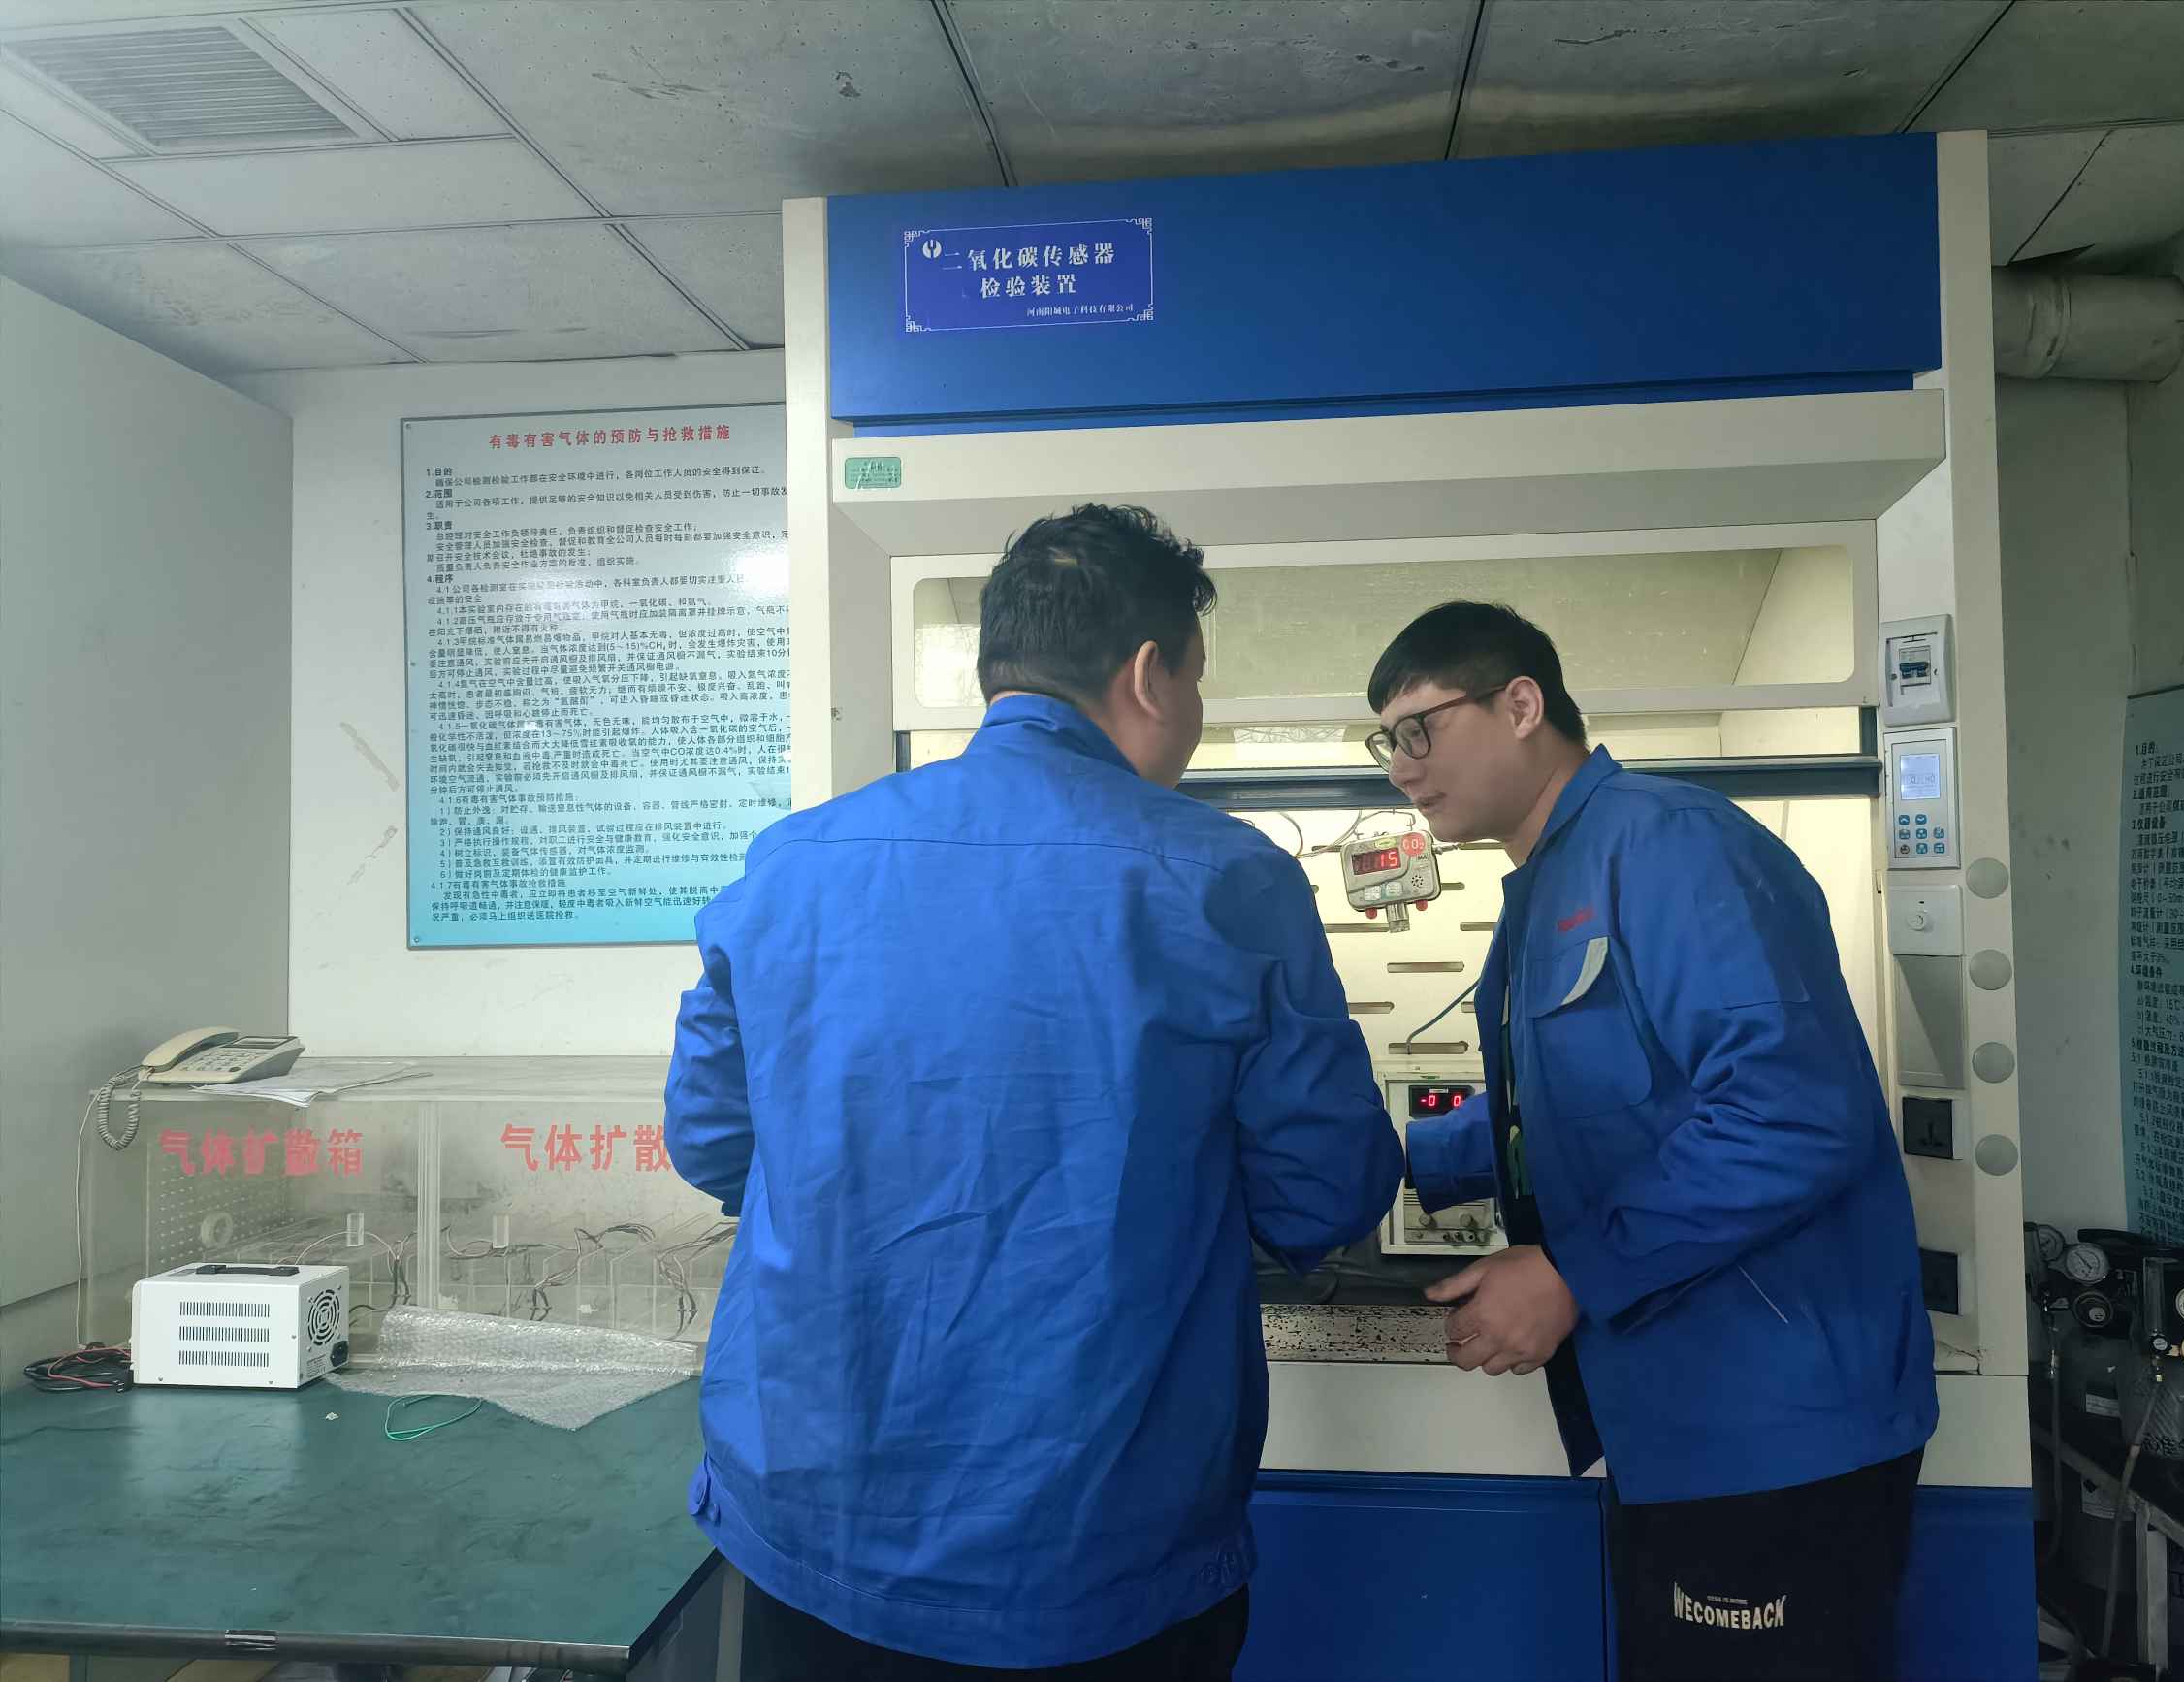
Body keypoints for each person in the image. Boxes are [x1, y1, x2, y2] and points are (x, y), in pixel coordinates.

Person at [664, 503, 1403, 1679]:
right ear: (1151, 674)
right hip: (1099, 1538)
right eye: (1195, 680)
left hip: (814, 1516)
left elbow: (710, 1142)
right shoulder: (1226, 882)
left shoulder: (792, 863)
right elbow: (1323, 1193)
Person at [1371, 601, 1937, 1682]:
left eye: (1418, 730)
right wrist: (1383, 1165)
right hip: (1680, 1413)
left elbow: (1793, 1114)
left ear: (1521, 704)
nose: (1400, 768)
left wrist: (1572, 1273)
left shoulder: (1667, 845)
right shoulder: (1552, 881)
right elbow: (1576, 1114)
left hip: (1772, 1422)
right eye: (1384, 742)